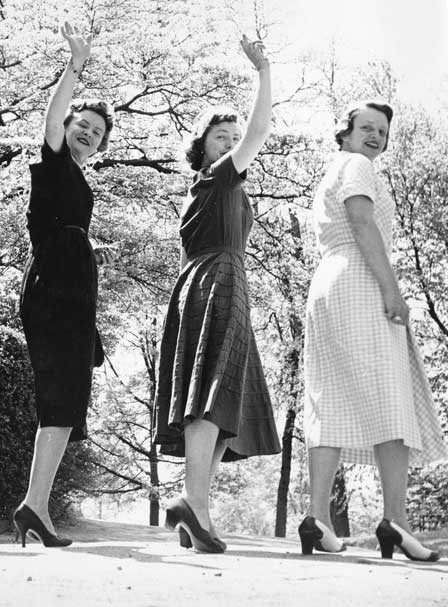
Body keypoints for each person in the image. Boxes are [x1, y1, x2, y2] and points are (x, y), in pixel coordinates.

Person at [300, 101, 447, 561]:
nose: (375, 136)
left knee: (330, 397)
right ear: (345, 132)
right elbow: (362, 222)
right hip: (360, 278)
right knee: (391, 395)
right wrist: (392, 291)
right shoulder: (358, 165)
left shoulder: (331, 170)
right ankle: (396, 522)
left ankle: (317, 520)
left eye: (382, 131)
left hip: (326, 284)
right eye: (366, 127)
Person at [153, 36, 280, 553]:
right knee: (212, 395)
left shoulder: (214, 188)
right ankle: (192, 503)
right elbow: (260, 132)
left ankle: (194, 511)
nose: (231, 142)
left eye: (232, 136)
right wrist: (264, 72)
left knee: (228, 401)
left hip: (219, 282)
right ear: (202, 146)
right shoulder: (220, 180)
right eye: (220, 136)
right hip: (218, 281)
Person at [14, 21, 114, 548]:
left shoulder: (79, 177)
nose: (87, 133)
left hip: (73, 295)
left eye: (97, 133)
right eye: (83, 125)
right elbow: (52, 117)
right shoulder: (53, 163)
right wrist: (75, 67)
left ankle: (35, 505)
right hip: (53, 287)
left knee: (67, 400)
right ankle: (34, 507)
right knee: (60, 396)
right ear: (69, 124)